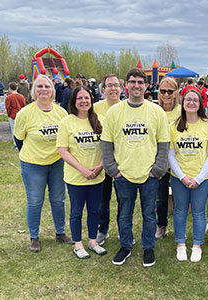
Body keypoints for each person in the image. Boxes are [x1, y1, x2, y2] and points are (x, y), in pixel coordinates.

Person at [101, 68, 169, 267]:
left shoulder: (156, 112)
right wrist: (113, 170)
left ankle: (148, 247)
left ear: (146, 85)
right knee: (124, 213)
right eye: (132, 82)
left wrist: (157, 170)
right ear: (126, 85)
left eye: (140, 82)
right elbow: (106, 144)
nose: (136, 85)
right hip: (124, 174)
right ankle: (125, 246)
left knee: (149, 213)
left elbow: (164, 144)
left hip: (149, 174)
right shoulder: (115, 112)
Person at [14, 74, 73, 252]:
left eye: (47, 87)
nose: (43, 90)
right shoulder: (25, 113)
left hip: (57, 163)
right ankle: (34, 236)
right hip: (33, 164)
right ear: (33, 91)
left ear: (53, 90)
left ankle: (60, 232)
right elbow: (19, 140)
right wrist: (34, 153)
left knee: (58, 199)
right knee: (35, 201)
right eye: (39, 87)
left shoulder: (61, 112)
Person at [57, 86, 107, 259]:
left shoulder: (101, 120)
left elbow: (109, 147)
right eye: (80, 98)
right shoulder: (66, 122)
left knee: (94, 210)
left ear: (92, 101)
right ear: (74, 101)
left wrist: (100, 166)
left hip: (97, 176)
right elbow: (63, 150)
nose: (84, 101)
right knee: (77, 211)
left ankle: (93, 241)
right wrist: (83, 169)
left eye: (87, 98)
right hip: (76, 178)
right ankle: (78, 244)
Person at [168, 89, 208, 262]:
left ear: (200, 103)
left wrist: (198, 178)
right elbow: (170, 154)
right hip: (179, 177)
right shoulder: (174, 126)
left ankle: (197, 245)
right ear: (183, 102)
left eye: (195, 100)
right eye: (188, 99)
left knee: (198, 212)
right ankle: (180, 244)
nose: (191, 103)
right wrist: (182, 176)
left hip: (202, 179)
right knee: (180, 211)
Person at [93, 74, 121, 246]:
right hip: (101, 161)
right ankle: (102, 230)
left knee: (123, 199)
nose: (113, 89)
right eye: (109, 85)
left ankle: (123, 230)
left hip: (122, 161)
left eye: (116, 85)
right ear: (103, 89)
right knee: (103, 200)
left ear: (121, 88)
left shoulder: (127, 107)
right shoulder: (95, 108)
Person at [155, 77, 181, 239]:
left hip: (179, 162)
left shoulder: (181, 111)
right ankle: (161, 226)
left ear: (176, 93)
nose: (166, 95)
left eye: (170, 91)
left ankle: (180, 228)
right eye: (163, 91)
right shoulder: (154, 110)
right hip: (160, 162)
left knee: (180, 197)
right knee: (160, 198)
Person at [5, 82, 26, 148]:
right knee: (21, 129)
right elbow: (23, 106)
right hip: (21, 114)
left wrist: (9, 115)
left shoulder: (9, 97)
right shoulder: (21, 96)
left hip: (12, 115)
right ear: (17, 88)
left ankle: (16, 143)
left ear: (10, 88)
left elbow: (8, 108)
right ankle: (22, 141)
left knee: (13, 129)